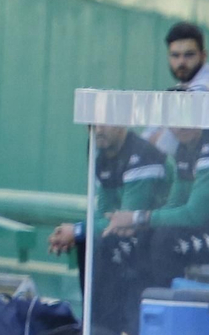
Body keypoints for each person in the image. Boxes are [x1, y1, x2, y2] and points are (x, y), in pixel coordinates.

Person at [94, 123, 209, 335]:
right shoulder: (185, 151)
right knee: (138, 239)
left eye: (190, 118)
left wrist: (137, 217)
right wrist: (137, 225)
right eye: (175, 119)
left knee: (165, 242)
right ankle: (123, 334)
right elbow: (174, 207)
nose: (181, 126)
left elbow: (194, 214)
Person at [48, 124, 171, 293]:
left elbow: (126, 220)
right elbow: (104, 213)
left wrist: (77, 231)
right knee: (89, 241)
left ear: (120, 125)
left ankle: (112, 317)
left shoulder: (142, 154)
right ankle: (92, 317)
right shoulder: (100, 156)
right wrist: (76, 234)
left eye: (103, 124)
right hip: (135, 232)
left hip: (157, 232)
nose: (97, 130)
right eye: (92, 125)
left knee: (98, 242)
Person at [146, 22, 209, 154]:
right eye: (175, 55)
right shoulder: (180, 88)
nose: (181, 62)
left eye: (189, 55)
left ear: (203, 56)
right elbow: (146, 140)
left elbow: (161, 147)